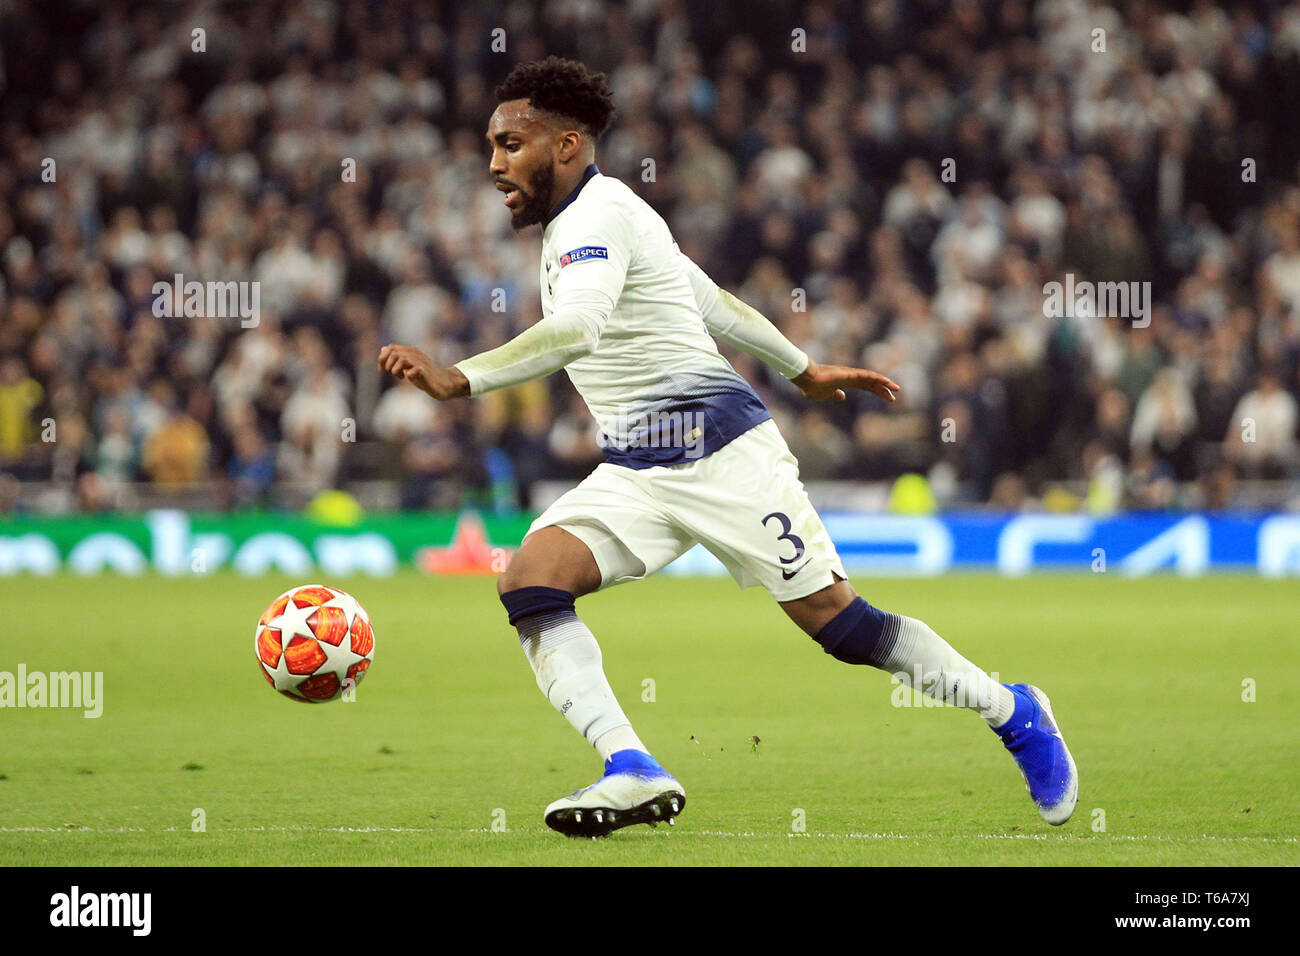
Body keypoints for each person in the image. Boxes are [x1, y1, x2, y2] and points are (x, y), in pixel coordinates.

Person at [378, 57, 1077, 837]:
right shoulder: (604, 217)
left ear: (567, 144)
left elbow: (579, 328)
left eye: (512, 144)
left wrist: (459, 379)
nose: (494, 162)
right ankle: (631, 768)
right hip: (639, 464)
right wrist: (803, 367)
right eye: (493, 145)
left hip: (721, 451)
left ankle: (1014, 712)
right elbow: (710, 302)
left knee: (841, 627)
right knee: (532, 580)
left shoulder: (594, 219)